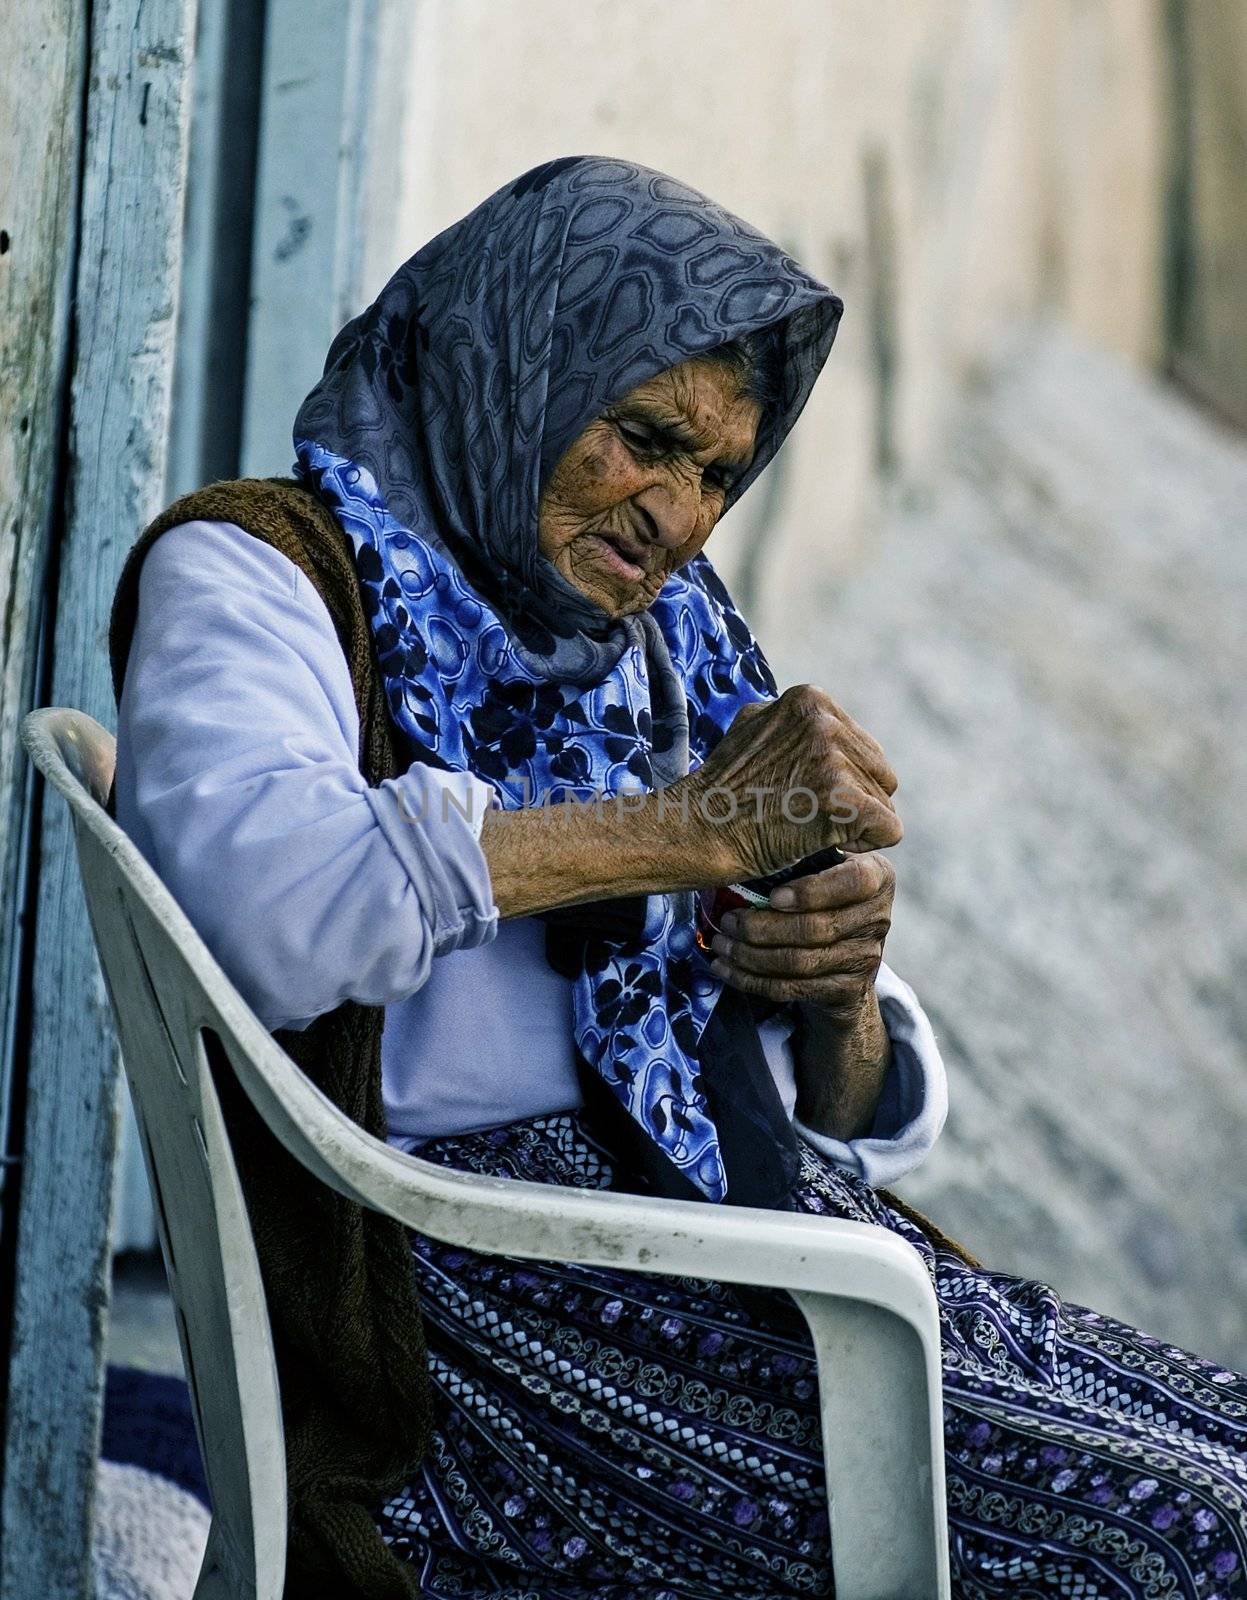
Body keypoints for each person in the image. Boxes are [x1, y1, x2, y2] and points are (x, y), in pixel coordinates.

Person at [109, 157, 1247, 1599]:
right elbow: (265, 909)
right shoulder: (265, 572)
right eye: (643, 437)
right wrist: (694, 829)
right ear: (514, 362)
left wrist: (836, 996)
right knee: (1186, 1544)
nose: (678, 516)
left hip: (750, 1241)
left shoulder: (661, 640)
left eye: (718, 474)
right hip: (489, 1311)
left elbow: (855, 1116)